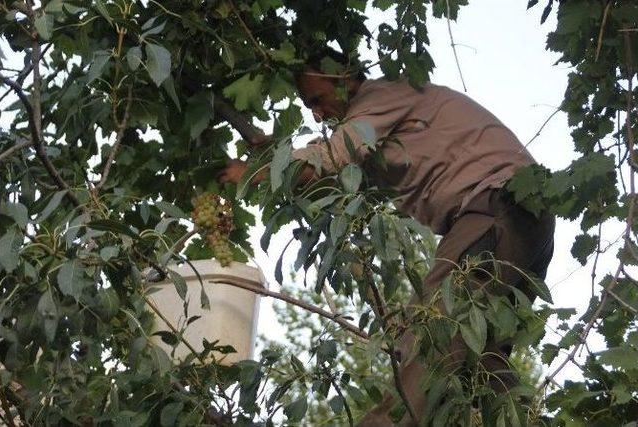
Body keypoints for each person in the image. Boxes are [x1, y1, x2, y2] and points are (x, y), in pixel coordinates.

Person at [219, 50, 555, 426]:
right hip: (523, 220)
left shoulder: (380, 96)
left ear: (341, 75)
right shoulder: (380, 124)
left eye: (317, 99)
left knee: (433, 334)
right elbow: (339, 181)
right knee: (484, 365)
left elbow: (330, 160)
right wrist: (278, 155)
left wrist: (255, 172)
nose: (316, 113)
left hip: (496, 208)